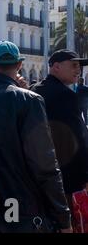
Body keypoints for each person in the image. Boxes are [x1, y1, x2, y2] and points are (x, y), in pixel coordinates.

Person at [0, 41, 71, 233]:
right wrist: (64, 218)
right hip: (26, 207)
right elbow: (45, 165)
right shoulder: (29, 100)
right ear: (19, 65)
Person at [31, 49, 88, 209]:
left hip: (38, 174)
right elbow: (78, 139)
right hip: (66, 178)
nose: (78, 70)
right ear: (56, 67)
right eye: (74, 65)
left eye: (80, 66)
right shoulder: (65, 95)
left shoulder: (34, 89)